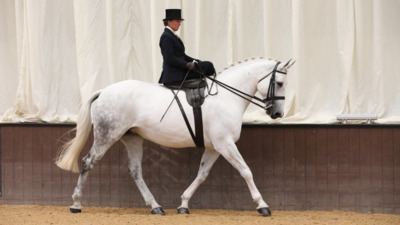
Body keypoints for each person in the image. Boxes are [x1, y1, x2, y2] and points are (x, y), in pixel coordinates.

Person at [158, 9, 216, 85]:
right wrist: (186, 65)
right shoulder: (167, 37)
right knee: (208, 65)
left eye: (180, 22)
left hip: (179, 70)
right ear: (169, 21)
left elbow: (182, 56)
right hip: (174, 74)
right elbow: (169, 58)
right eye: (177, 21)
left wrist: (195, 61)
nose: (179, 24)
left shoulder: (172, 35)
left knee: (206, 65)